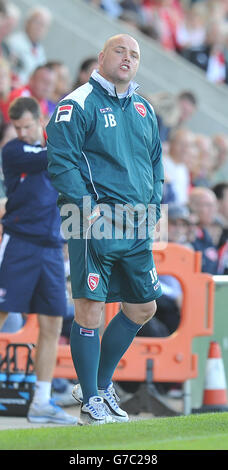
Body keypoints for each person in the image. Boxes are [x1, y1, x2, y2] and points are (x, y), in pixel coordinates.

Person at [47, 33, 164, 425]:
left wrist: (153, 206)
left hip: (136, 225)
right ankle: (90, 402)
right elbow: (61, 162)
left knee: (144, 305)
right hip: (90, 222)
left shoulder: (145, 108)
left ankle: (97, 385)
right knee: (90, 308)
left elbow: (155, 164)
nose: (128, 58)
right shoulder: (76, 104)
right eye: (120, 51)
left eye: (135, 54)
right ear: (101, 57)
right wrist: (86, 209)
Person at [0, 96, 77, 425]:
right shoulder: (14, 151)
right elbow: (55, 157)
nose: (22, 131)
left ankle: (41, 402)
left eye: (28, 126)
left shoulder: (50, 152)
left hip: (50, 248)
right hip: (19, 243)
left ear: (40, 120)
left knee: (52, 324)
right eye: (18, 127)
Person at [5, 5, 52, 85]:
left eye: (43, 25)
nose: (39, 28)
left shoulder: (40, 50)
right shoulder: (14, 42)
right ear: (27, 22)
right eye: (37, 23)